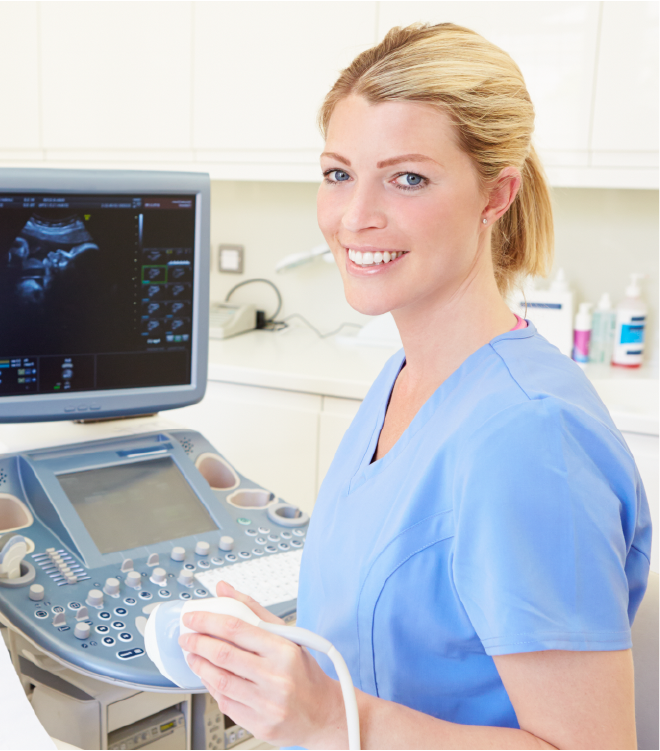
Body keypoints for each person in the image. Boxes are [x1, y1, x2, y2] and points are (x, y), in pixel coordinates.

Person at [178, 23, 652, 749]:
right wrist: (287, 664)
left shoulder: (529, 437)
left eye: (408, 178)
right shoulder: (405, 376)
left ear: (496, 194)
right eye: (338, 173)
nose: (354, 216)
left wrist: (330, 716)